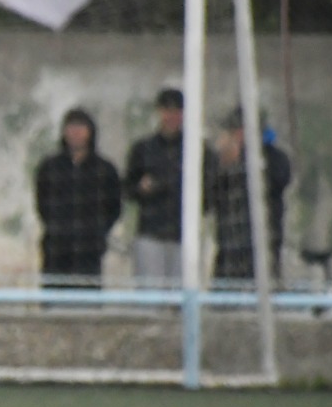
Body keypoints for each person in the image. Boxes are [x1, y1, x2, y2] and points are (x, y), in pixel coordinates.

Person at [125, 88, 213, 286]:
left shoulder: (199, 149)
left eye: (177, 111)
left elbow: (210, 192)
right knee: (151, 298)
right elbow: (128, 190)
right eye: (167, 110)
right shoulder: (143, 149)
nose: (171, 116)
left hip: (186, 234)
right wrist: (143, 188)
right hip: (151, 233)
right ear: (158, 112)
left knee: (184, 294)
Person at [33, 107, 122, 285]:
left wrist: (97, 231)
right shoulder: (49, 167)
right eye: (71, 127)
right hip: (56, 248)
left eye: (80, 128)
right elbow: (42, 204)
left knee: (87, 306)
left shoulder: (105, 169)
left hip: (90, 250)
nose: (75, 133)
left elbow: (114, 207)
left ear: (90, 132)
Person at [208, 107, 293, 284]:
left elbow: (279, 179)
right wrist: (221, 165)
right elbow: (206, 200)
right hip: (228, 253)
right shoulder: (221, 162)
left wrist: (246, 158)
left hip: (262, 251)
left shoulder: (273, 157)